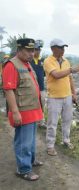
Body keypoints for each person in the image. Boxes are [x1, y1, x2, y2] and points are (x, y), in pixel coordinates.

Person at [2, 38, 43, 181]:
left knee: (31, 141)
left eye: (33, 50)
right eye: (29, 50)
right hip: (22, 111)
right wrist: (15, 112)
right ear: (19, 50)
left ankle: (30, 160)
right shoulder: (11, 65)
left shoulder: (27, 64)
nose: (32, 53)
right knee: (23, 142)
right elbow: (8, 90)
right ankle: (23, 169)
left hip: (32, 110)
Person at [43, 38, 79, 156]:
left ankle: (66, 140)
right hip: (54, 97)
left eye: (63, 47)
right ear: (53, 49)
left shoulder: (66, 61)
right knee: (52, 123)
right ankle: (50, 146)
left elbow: (70, 78)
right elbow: (56, 75)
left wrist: (74, 93)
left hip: (67, 96)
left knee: (67, 120)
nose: (63, 50)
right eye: (60, 47)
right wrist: (71, 70)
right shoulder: (48, 61)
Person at [30, 40, 46, 128]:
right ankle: (33, 121)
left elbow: (44, 73)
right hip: (32, 88)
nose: (37, 51)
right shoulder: (29, 61)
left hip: (41, 88)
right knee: (33, 104)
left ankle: (41, 121)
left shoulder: (42, 61)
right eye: (36, 49)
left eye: (39, 49)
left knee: (42, 103)